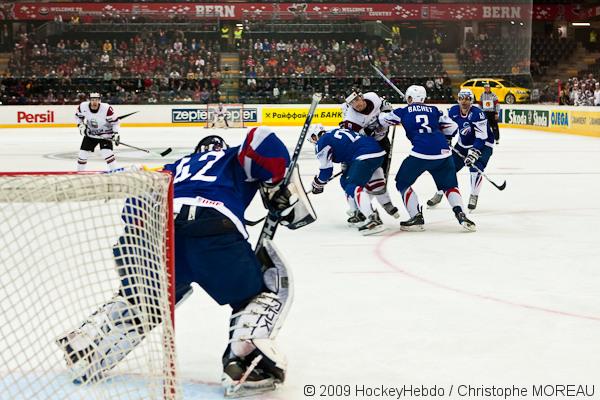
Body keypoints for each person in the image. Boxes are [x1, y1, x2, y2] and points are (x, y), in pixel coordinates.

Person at [54, 127, 316, 397]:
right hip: (213, 232)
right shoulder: (230, 156)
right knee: (261, 291)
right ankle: (245, 364)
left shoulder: (173, 167)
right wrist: (275, 184)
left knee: (147, 301)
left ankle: (91, 349)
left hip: (159, 236)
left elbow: (132, 209)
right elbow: (261, 140)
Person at [378, 85, 476, 232]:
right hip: (444, 153)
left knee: (402, 183)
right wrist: (446, 138)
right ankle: (461, 214)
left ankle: (416, 216)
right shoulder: (435, 110)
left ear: (409, 98)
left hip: (421, 154)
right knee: (449, 186)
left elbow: (383, 121)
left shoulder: (402, 111)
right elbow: (453, 126)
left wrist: (385, 110)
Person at [310, 125, 388, 235]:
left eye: (313, 139)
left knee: (352, 185)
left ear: (314, 136)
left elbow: (326, 171)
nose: (314, 142)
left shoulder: (322, 142)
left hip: (365, 155)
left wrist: (317, 184)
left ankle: (373, 218)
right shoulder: (336, 131)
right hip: (377, 151)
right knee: (345, 181)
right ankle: (358, 213)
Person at [426, 88, 495, 211]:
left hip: (484, 145)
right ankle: (440, 192)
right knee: (448, 168)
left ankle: (474, 195)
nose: (464, 102)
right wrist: (446, 138)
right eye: (461, 98)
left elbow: (482, 137)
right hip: (463, 144)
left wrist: (474, 153)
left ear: (471, 100)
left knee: (475, 167)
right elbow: (448, 127)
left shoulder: (478, 114)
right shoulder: (453, 111)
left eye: (467, 99)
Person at [339, 90, 399, 223]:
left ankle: (380, 203)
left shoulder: (372, 96)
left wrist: (387, 108)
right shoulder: (351, 119)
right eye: (352, 103)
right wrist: (369, 130)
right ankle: (362, 207)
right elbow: (354, 139)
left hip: (383, 142)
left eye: (357, 100)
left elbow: (383, 104)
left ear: (361, 97)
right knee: (366, 178)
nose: (356, 104)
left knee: (381, 176)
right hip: (366, 149)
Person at [75, 92, 120, 171]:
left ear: (99, 100)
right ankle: (80, 174)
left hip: (105, 135)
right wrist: (81, 126)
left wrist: (116, 134)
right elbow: (78, 117)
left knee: (107, 153)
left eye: (96, 100)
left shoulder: (106, 108)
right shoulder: (83, 106)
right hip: (91, 134)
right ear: (90, 100)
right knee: (82, 155)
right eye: (92, 100)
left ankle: (115, 173)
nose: (94, 102)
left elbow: (115, 123)